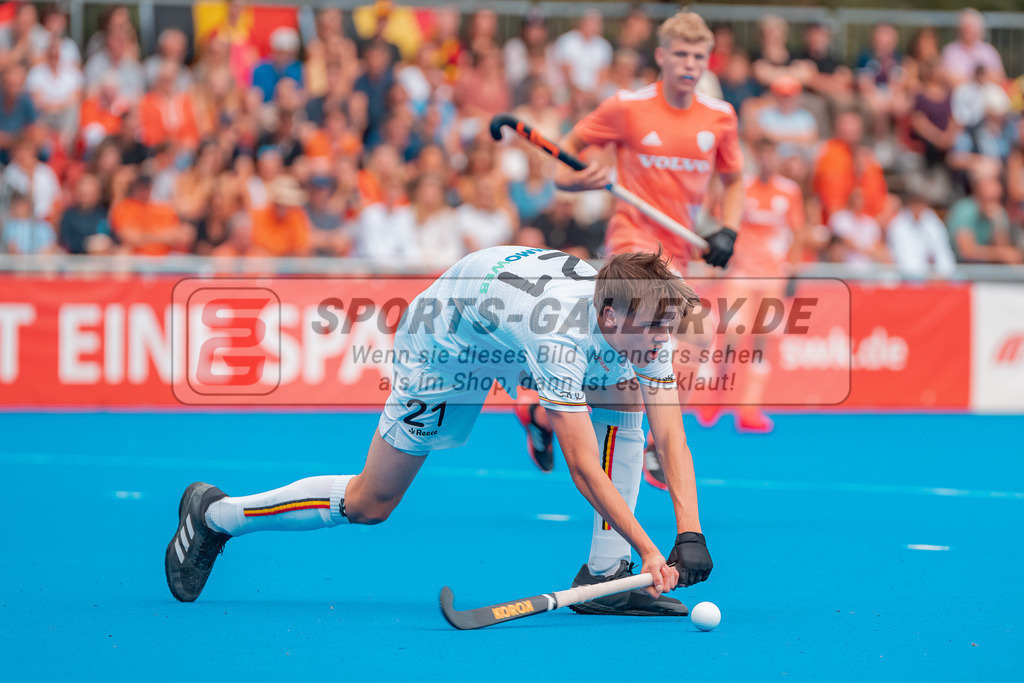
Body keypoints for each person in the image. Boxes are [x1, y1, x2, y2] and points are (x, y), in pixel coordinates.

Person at [166, 247, 714, 616]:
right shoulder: (562, 339)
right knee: (371, 502)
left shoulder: (645, 318)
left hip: (505, 324)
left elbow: (672, 440)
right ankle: (217, 514)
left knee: (626, 403)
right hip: (447, 345)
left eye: (668, 325)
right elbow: (583, 468)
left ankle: (603, 575)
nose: (664, 337)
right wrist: (651, 550)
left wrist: (689, 535)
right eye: (655, 326)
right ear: (612, 316)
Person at [508, 10, 741, 605]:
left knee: (653, 378)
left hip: (681, 252)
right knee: (644, 380)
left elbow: (732, 180)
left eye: (699, 57)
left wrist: (726, 229)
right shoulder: (627, 107)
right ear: (661, 57)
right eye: (680, 56)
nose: (690, 66)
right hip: (633, 251)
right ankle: (611, 560)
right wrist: (584, 180)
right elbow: (565, 167)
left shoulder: (721, 118)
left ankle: (543, 414)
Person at [697, 138, 804, 434]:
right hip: (742, 272)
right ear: (757, 156)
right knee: (732, 334)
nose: (769, 160)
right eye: (764, 153)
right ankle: (717, 395)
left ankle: (749, 407)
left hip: (772, 274)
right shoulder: (742, 188)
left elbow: (797, 232)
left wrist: (793, 271)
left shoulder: (789, 191)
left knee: (762, 339)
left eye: (774, 154)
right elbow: (723, 224)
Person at [886, 191, 956, 277]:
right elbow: (905, 259)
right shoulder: (898, 225)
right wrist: (927, 276)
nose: (918, 208)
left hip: (936, 278)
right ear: (909, 205)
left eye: (921, 204)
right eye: (915, 204)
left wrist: (943, 274)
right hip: (908, 279)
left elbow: (943, 252)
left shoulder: (932, 221)